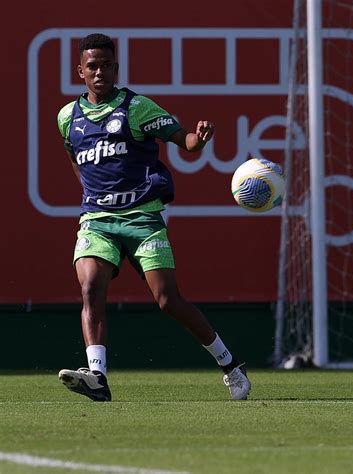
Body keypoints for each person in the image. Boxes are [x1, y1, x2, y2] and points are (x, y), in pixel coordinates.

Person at [56, 33, 250, 402]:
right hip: (97, 219)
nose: (100, 72)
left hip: (142, 218)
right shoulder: (68, 117)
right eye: (92, 66)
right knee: (90, 288)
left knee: (167, 300)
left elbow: (184, 141)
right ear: (79, 70)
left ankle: (230, 364)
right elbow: (75, 159)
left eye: (106, 65)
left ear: (116, 68)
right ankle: (97, 376)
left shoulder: (137, 107)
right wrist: (94, 197)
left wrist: (199, 139)